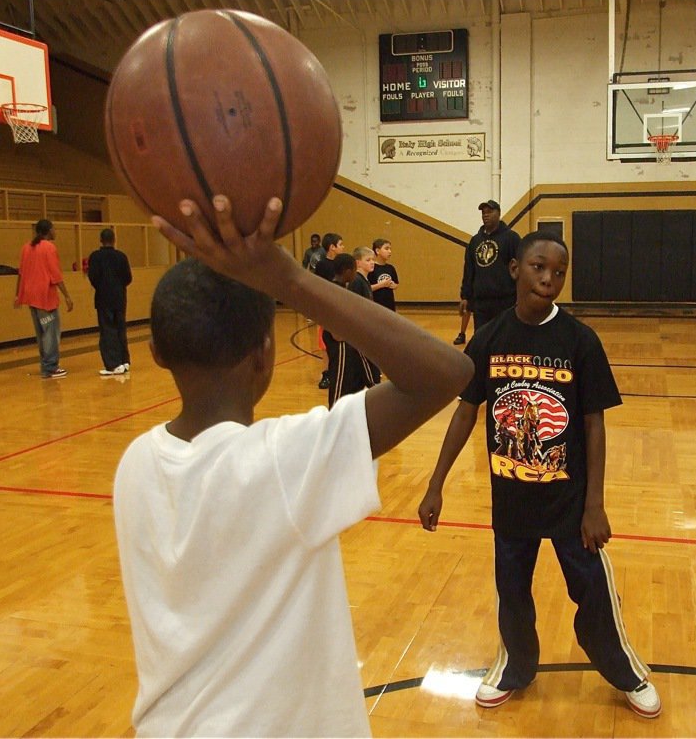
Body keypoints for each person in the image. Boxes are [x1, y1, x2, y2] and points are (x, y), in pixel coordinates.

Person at [114, 194, 473, 737]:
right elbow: (448, 372)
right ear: (266, 352)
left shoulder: (134, 463)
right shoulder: (283, 461)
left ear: (156, 352)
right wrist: (291, 280)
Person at [418, 231, 661, 719]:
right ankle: (516, 667)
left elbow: (594, 424)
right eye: (538, 268)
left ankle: (626, 671)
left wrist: (595, 504)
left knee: (593, 593)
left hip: (570, 503)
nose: (548, 279)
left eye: (558, 272)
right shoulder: (489, 339)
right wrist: (435, 483)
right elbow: (466, 411)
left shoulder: (579, 341)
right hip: (511, 500)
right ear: (514, 269)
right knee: (512, 593)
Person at [14, 218, 73, 379]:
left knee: (41, 333)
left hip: (30, 297)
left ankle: (45, 364)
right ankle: (50, 367)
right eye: (54, 229)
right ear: (48, 231)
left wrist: (18, 294)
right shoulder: (49, 248)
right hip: (45, 298)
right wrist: (67, 295)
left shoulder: (26, 248)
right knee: (50, 333)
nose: (56, 232)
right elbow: (56, 275)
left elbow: (21, 273)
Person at [456, 199, 520, 343]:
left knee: (505, 341)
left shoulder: (511, 238)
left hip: (506, 303)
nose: (486, 215)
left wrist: (521, 297)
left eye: (490, 212)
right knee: (483, 342)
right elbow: (469, 271)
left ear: (499, 213)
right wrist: (465, 296)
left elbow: (520, 269)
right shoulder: (475, 241)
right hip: (481, 304)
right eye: (483, 213)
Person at [323, 252, 376, 406]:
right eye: (354, 270)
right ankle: (333, 417)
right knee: (340, 383)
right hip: (339, 343)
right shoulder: (336, 292)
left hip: (348, 342)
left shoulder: (340, 289)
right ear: (347, 271)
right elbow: (335, 328)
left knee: (355, 379)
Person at [87, 228, 133, 375]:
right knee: (120, 328)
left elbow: (93, 277)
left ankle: (113, 364)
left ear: (101, 240)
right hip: (119, 297)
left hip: (103, 298)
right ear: (114, 240)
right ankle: (124, 360)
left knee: (107, 330)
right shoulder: (121, 256)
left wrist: (102, 287)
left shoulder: (95, 257)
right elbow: (128, 278)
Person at [314, 233, 345, 388]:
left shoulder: (342, 264)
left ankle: (340, 371)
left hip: (340, 308)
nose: (343, 247)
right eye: (340, 244)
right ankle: (326, 374)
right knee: (324, 344)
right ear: (332, 247)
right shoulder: (322, 265)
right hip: (326, 309)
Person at [353, 246, 382, 384]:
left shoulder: (364, 280)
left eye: (373, 260)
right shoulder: (356, 281)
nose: (372, 263)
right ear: (358, 263)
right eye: (368, 260)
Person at [367, 238, 399, 311]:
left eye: (390, 249)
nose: (390, 251)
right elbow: (368, 287)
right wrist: (382, 284)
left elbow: (396, 284)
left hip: (389, 304)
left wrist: (393, 285)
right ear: (377, 251)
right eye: (386, 249)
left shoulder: (390, 268)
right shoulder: (371, 268)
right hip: (376, 305)